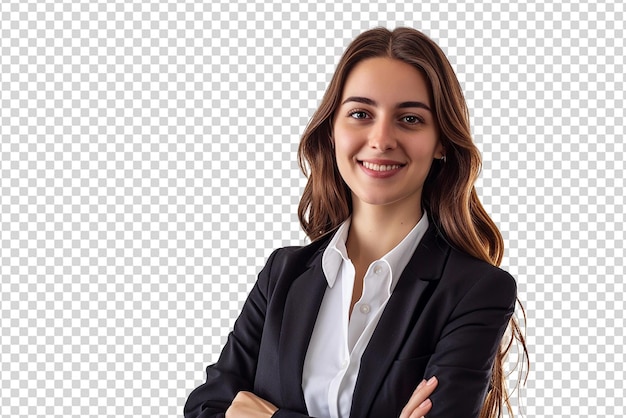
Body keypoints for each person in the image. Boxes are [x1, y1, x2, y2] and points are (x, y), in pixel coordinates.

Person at [184, 27, 528, 418]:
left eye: (410, 118)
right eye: (361, 114)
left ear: (441, 142)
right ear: (333, 130)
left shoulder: (476, 291)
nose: (381, 139)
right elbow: (204, 408)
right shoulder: (282, 275)